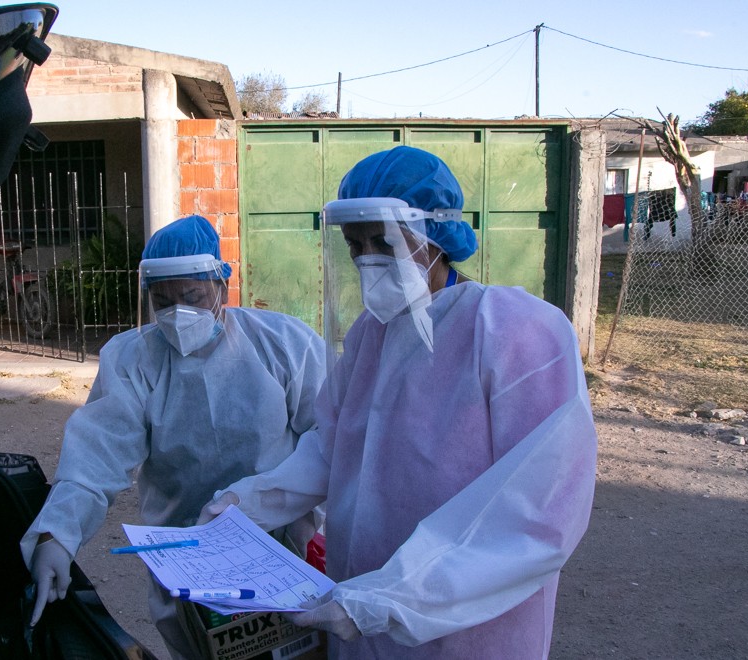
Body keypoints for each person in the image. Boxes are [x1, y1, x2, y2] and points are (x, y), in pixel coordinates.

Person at [198, 146, 598, 658]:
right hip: (361, 610)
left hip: (467, 624)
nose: (368, 260)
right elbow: (332, 448)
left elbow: (538, 509)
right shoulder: (372, 334)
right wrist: (248, 503)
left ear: (434, 235)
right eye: (355, 245)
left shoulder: (516, 330)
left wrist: (392, 598)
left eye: (383, 241)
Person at [20, 214, 325, 659]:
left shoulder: (282, 343)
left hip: (279, 543)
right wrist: (57, 535)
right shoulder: (134, 359)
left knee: (291, 648)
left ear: (221, 285)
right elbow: (97, 456)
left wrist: (281, 506)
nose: (178, 313)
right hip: (184, 549)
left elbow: (328, 437)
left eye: (192, 297)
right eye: (163, 301)